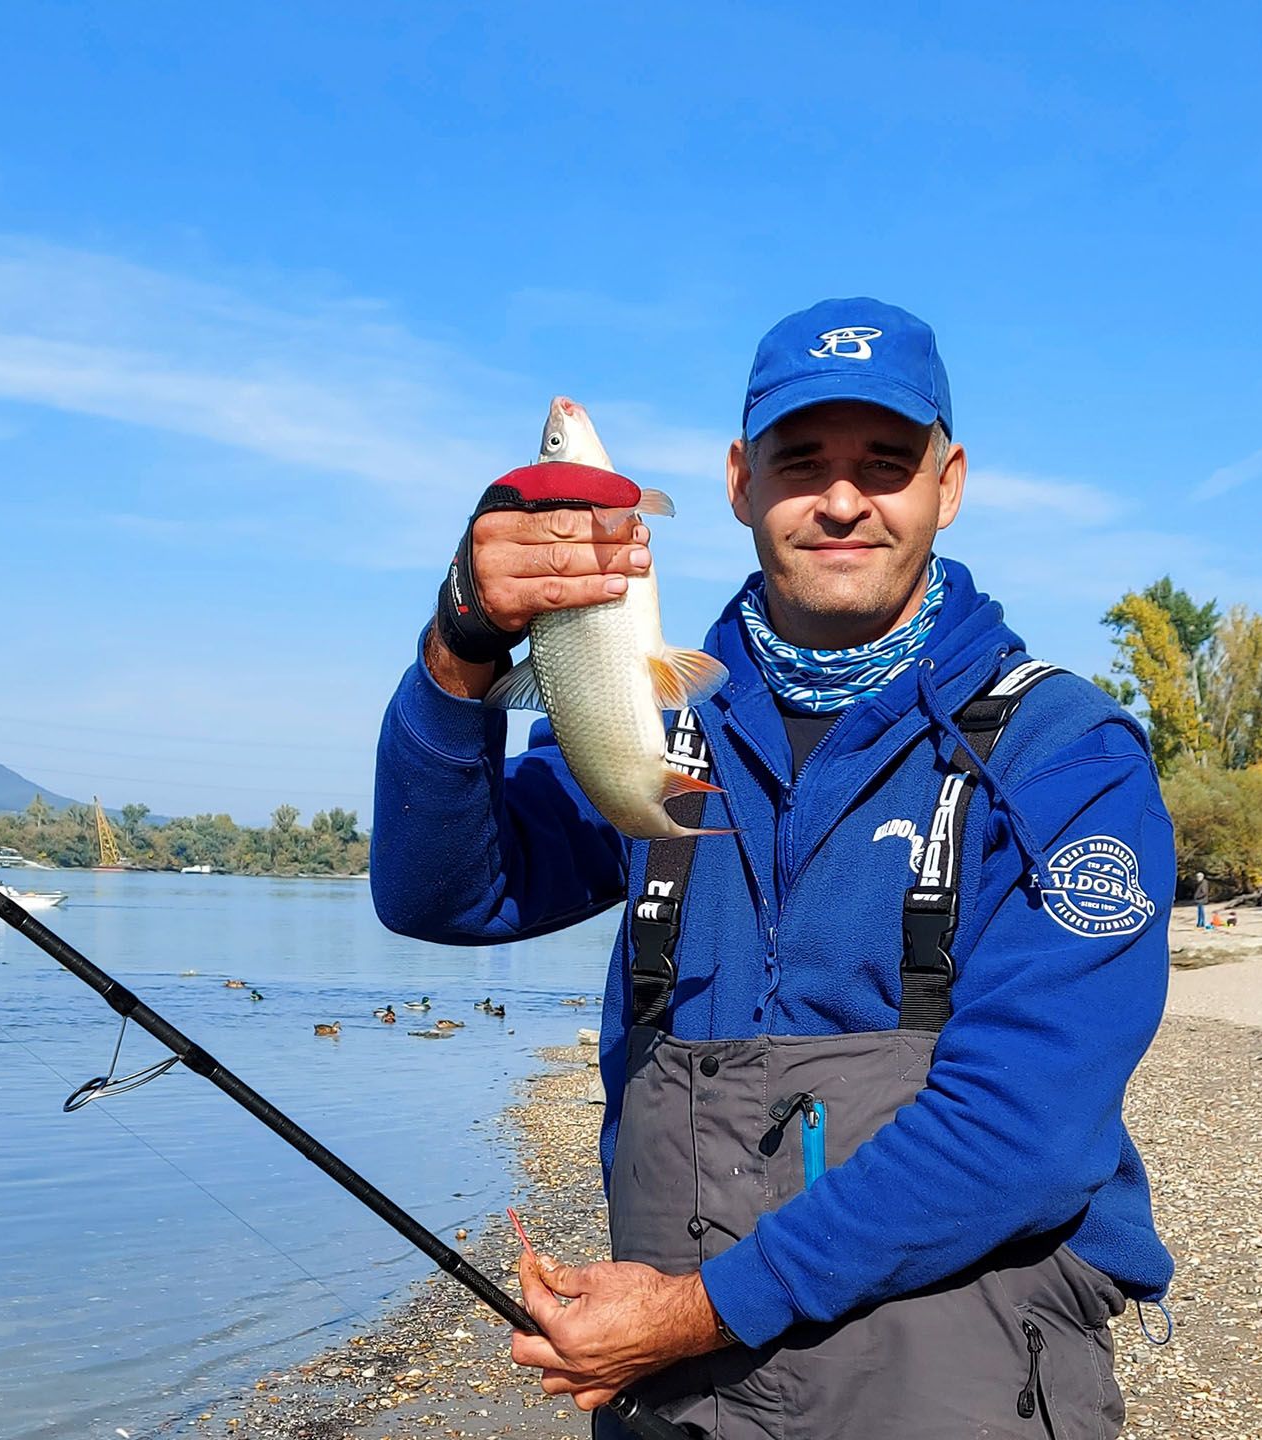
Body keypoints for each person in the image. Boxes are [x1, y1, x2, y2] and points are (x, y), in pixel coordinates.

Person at [372, 298, 1175, 1439]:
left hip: (950, 1386)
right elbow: (439, 892)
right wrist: (461, 648)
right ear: (742, 481)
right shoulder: (654, 728)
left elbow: (1024, 1132)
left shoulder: (1063, 757)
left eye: (885, 465)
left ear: (948, 484)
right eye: (804, 463)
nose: (842, 500)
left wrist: (702, 1310)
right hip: (682, 1400)